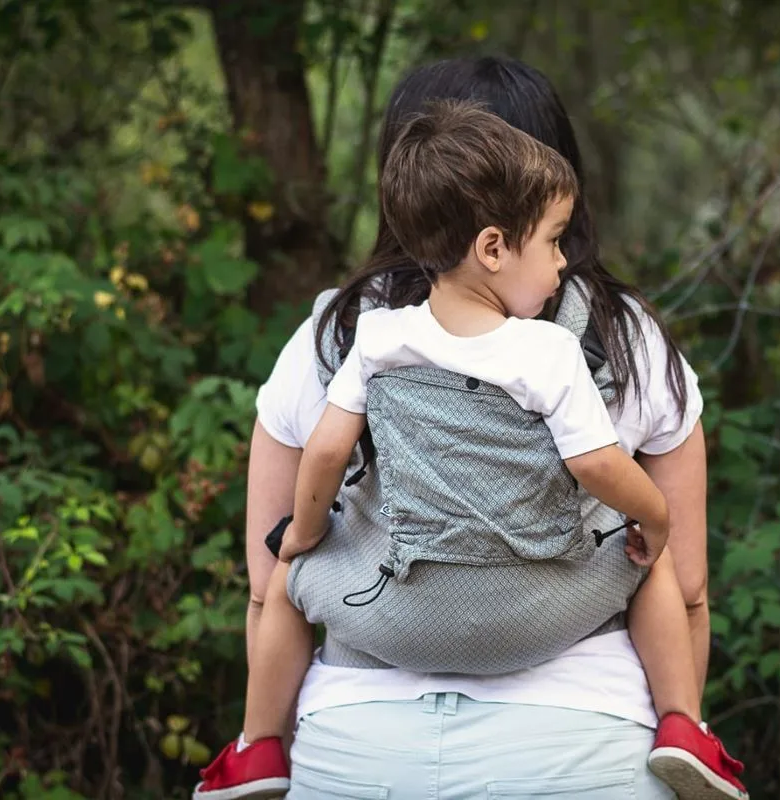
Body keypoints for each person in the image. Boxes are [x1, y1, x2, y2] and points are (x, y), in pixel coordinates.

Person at [236, 57, 746, 799]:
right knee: (651, 557)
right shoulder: (622, 336)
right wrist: (653, 528)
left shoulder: (344, 332)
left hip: (361, 742)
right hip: (580, 743)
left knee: (289, 564)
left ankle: (253, 753)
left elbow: (265, 590)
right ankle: (687, 732)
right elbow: (690, 589)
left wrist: (304, 539)